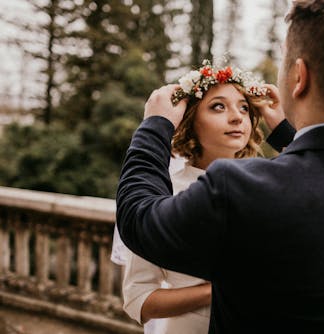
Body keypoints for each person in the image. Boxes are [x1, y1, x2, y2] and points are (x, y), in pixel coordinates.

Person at [116, 1, 324, 333]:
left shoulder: (242, 190)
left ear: (299, 76)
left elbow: (138, 219)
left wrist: (155, 126)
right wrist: (289, 134)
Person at [111, 60, 267, 333]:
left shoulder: (268, 185)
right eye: (218, 106)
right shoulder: (164, 193)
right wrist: (216, 291)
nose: (237, 117)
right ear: (189, 120)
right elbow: (139, 299)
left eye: (244, 107)